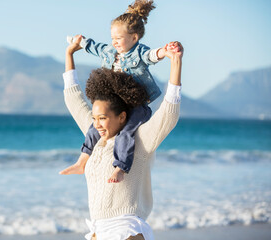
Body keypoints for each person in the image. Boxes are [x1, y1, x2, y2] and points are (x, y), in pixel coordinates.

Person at [62, 34, 183, 239]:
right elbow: (74, 99)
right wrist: (69, 54)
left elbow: (168, 115)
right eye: (94, 117)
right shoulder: (95, 138)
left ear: (122, 116)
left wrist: (176, 62)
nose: (97, 123)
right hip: (97, 230)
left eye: (102, 118)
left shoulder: (140, 140)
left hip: (126, 229)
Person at [60, 0, 181, 183]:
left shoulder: (139, 52)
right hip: (116, 103)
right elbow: (94, 46)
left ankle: (120, 168)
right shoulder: (109, 50)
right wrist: (78, 42)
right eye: (113, 38)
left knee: (126, 133)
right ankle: (82, 161)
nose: (114, 42)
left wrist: (165, 51)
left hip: (137, 105)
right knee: (94, 128)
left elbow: (152, 56)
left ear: (134, 38)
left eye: (119, 38)